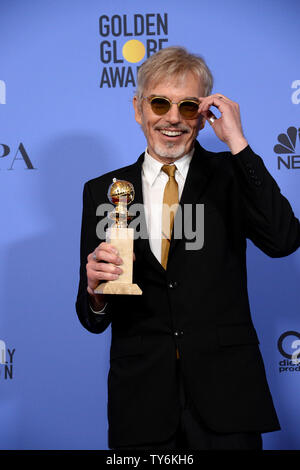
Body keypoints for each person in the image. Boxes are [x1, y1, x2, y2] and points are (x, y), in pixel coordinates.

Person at [76, 47, 300, 450]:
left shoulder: (233, 174)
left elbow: (284, 240)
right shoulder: (104, 190)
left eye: (189, 106)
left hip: (227, 398)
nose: (174, 118)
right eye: (160, 103)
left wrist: (238, 142)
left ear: (205, 112)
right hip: (141, 400)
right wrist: (94, 292)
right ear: (138, 108)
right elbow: (94, 317)